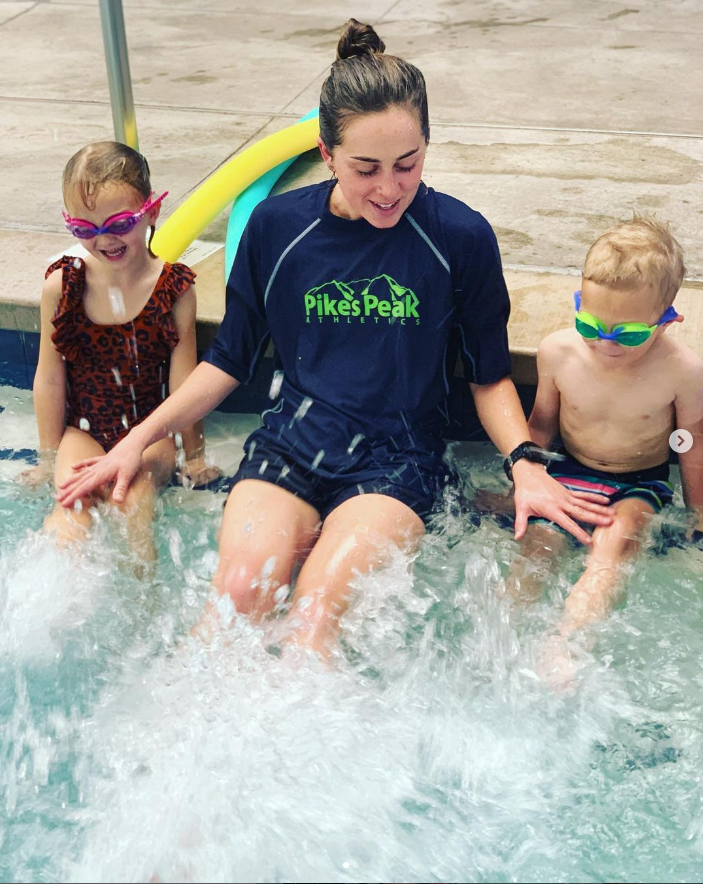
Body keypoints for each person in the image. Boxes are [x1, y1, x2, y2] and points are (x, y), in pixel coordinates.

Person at [56, 21, 612, 657]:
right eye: (364, 168)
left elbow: (488, 376)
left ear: (427, 146)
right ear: (325, 153)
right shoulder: (277, 228)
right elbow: (229, 360)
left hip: (398, 459)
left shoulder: (459, 238)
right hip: (293, 444)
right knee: (235, 598)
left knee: (316, 615)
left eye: (408, 165)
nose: (388, 188)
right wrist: (136, 441)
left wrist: (524, 464)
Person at [27, 141, 218, 567]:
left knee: (133, 501)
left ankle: (142, 601)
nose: (104, 239)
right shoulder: (62, 286)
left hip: (150, 433)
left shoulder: (173, 290)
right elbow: (49, 376)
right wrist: (47, 457)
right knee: (71, 503)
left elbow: (183, 382)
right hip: (84, 430)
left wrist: (196, 453)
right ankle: (52, 602)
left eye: (119, 223)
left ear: (151, 212)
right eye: (84, 229)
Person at [512, 217, 703, 638]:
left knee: (613, 548)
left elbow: (690, 444)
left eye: (629, 334)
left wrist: (698, 514)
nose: (606, 343)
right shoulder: (558, 352)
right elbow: (540, 425)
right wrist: (523, 485)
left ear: (668, 319)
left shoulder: (683, 371)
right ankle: (504, 638)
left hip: (638, 483)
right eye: (590, 326)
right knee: (535, 551)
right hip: (566, 471)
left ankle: (567, 642)